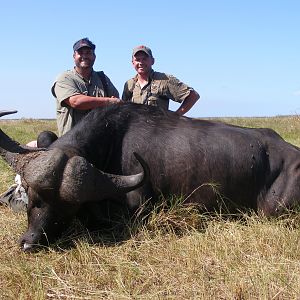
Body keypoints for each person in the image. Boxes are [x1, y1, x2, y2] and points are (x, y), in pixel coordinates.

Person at [52, 37, 123, 136]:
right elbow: (76, 102)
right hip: (72, 143)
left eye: (88, 53)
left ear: (94, 56)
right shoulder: (64, 78)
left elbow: (117, 102)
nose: (85, 56)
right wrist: (108, 101)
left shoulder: (103, 79)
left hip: (99, 140)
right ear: (74, 56)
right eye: (81, 53)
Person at [122, 45, 200, 116]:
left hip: (158, 130)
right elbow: (124, 108)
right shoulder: (129, 84)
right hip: (136, 130)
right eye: (137, 59)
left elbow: (193, 96)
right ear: (132, 63)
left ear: (152, 61)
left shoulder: (164, 80)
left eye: (144, 59)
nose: (141, 63)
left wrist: (176, 116)